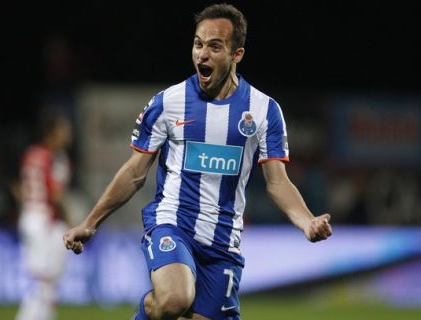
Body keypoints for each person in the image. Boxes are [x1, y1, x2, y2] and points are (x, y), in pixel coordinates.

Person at [63, 3, 332, 320]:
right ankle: (148, 311)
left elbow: (277, 181)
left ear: (237, 55)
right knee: (175, 299)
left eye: (215, 46)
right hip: (173, 225)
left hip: (222, 244)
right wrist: (90, 223)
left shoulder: (263, 110)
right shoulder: (168, 102)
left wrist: (306, 221)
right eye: (198, 43)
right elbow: (135, 172)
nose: (202, 55)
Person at [16, 107, 73, 320]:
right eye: (63, 128)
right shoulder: (53, 157)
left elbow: (20, 187)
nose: (68, 132)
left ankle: (44, 315)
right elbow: (55, 193)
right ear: (52, 131)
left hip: (29, 216)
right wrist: (71, 219)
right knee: (45, 279)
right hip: (45, 220)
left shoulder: (31, 153)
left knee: (44, 278)